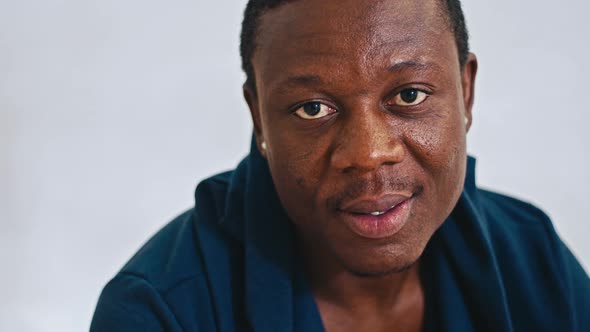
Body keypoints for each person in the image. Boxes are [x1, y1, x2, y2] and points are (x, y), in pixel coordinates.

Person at [90, 0, 590, 331]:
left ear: (466, 92)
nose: (369, 153)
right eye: (312, 108)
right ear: (258, 117)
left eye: (409, 94)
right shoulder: (161, 311)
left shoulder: (532, 260)